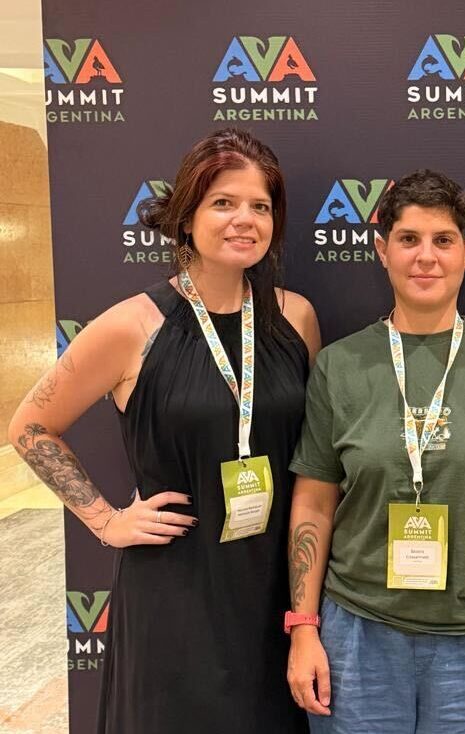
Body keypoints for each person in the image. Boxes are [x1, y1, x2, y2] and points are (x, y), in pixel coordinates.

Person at [8, 128, 320, 733]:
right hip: (174, 588)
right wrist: (104, 520)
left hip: (270, 585)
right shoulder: (133, 325)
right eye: (223, 203)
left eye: (260, 206)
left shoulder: (295, 316)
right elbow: (30, 426)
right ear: (187, 215)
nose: (244, 220)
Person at [284, 169, 465, 734]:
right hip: (356, 635)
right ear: (382, 250)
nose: (425, 256)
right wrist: (304, 627)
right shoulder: (341, 365)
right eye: (408, 239)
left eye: (443, 240)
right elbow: (312, 504)